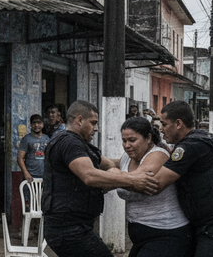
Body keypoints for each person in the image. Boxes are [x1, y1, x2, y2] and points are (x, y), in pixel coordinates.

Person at [41, 100, 159, 257]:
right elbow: (89, 176)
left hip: (76, 226)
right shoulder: (69, 143)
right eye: (93, 123)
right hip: (68, 228)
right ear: (79, 120)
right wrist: (133, 180)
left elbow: (108, 163)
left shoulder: (81, 145)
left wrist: (140, 161)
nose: (96, 128)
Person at [152, 100, 213, 256]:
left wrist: (120, 179)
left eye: (164, 124)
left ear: (178, 124)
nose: (161, 130)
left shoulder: (190, 146)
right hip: (209, 226)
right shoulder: (199, 139)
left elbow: (157, 184)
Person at [115, 117, 192, 257]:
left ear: (148, 138)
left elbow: (137, 180)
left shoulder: (158, 155)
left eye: (132, 140)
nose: (127, 145)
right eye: (124, 141)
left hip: (166, 234)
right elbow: (110, 167)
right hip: (141, 236)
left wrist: (111, 175)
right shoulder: (126, 158)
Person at [17, 114, 49, 210]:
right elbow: (20, 158)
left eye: (39, 123)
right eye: (34, 123)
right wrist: (26, 174)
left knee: (42, 205)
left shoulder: (47, 139)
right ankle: (30, 225)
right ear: (30, 125)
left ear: (43, 124)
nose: (36, 125)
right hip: (31, 176)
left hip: (44, 176)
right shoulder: (26, 139)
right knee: (29, 206)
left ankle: (39, 225)